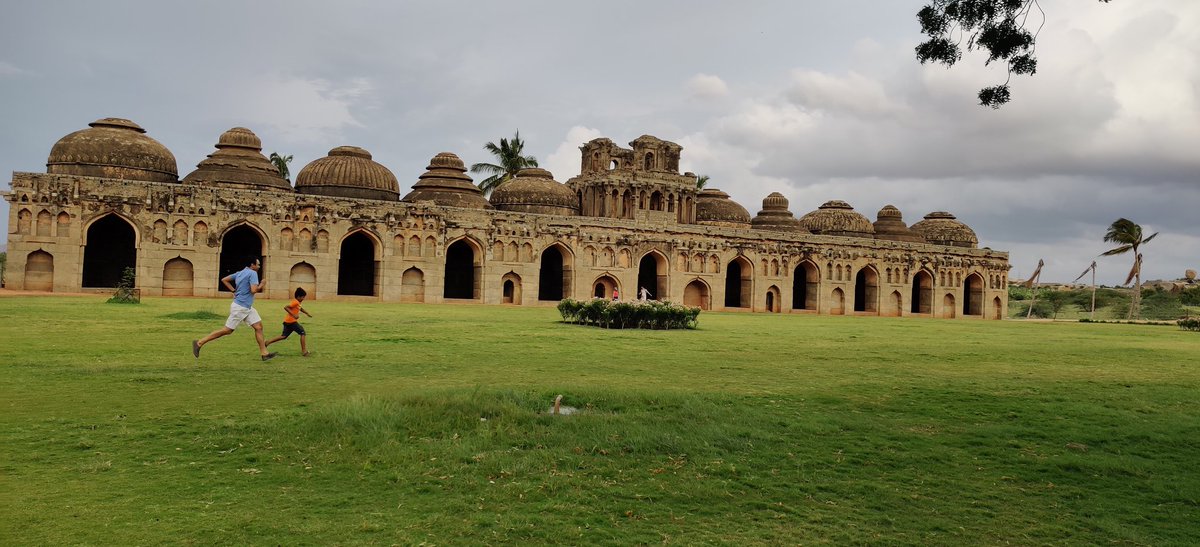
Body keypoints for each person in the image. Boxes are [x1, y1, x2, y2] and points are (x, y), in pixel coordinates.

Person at [192, 256, 277, 361]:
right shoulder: (252, 273)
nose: (259, 266)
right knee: (227, 330)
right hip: (241, 307)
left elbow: (225, 280)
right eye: (258, 264)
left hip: (246, 307)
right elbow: (254, 290)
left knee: (258, 327)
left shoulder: (240, 273)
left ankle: (264, 353)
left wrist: (233, 291)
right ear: (252, 265)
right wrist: (262, 284)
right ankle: (199, 342)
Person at [265, 287, 312, 356]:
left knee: (284, 336)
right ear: (298, 296)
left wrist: (306, 313)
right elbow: (286, 307)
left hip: (287, 321)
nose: (303, 299)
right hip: (291, 322)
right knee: (302, 333)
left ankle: (267, 342)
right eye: (302, 297)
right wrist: (294, 315)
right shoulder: (295, 302)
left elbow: (300, 308)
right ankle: (304, 352)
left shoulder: (297, 302)